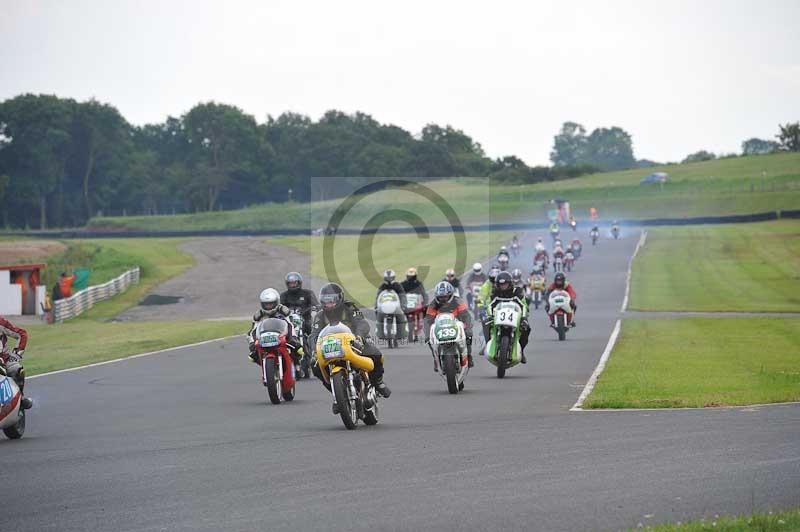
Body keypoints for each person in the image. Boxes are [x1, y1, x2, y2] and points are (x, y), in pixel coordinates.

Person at [310, 283, 391, 397]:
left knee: (376, 355)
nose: (329, 304)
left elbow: (361, 323)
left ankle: (378, 382)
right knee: (314, 365)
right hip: (331, 347)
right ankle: (337, 393)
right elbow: (314, 334)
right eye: (326, 301)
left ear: (340, 298)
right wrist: (314, 350)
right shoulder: (319, 315)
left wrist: (359, 337)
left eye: (332, 300)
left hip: (355, 342)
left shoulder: (350, 308)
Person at [424, 281, 474, 369]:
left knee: (468, 336)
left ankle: (468, 356)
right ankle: (436, 359)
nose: (443, 299)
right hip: (440, 328)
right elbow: (428, 320)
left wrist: (468, 328)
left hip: (456, 325)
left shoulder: (458, 301)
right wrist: (428, 335)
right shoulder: (433, 304)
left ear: (451, 295)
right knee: (430, 340)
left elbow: (466, 315)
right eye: (440, 297)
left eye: (445, 297)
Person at [483, 271, 530, 363]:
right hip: (498, 317)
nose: (503, 286)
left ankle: (522, 350)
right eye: (501, 285)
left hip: (516, 316)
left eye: (505, 284)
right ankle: (488, 343)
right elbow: (490, 305)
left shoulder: (517, 291)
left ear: (510, 283)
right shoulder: (495, 292)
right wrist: (490, 315)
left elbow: (523, 305)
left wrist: (524, 318)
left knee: (526, 329)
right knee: (485, 323)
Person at [248, 288, 301, 364]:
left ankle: (298, 364)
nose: (269, 306)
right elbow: (253, 330)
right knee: (253, 356)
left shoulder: (283, 310)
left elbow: (291, 324)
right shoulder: (258, 315)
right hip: (266, 338)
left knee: (297, 349)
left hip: (282, 335)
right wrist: (252, 344)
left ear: (276, 302)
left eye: (271, 304)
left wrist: (293, 338)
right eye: (266, 304)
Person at [0, 315, 33, 410]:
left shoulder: (1, 322)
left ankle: (20, 401)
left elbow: (22, 334)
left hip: (4, 360)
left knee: (17, 370)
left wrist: (16, 355)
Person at [279, 272, 319, 344]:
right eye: (291, 283)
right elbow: (280, 308)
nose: (293, 285)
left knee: (311, 327)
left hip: (305, 319)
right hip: (289, 321)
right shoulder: (284, 295)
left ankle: (315, 345)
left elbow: (316, 305)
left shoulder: (308, 293)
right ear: (287, 284)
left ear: (299, 283)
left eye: (295, 283)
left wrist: (313, 308)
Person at [375, 269, 408, 335]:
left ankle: (402, 331)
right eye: (387, 278)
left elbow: (402, 295)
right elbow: (378, 297)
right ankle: (379, 331)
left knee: (402, 316)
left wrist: (403, 304)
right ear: (385, 278)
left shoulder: (397, 285)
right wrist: (376, 306)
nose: (389, 279)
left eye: (390, 278)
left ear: (393, 277)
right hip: (384, 306)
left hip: (396, 306)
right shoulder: (382, 286)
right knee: (378, 314)